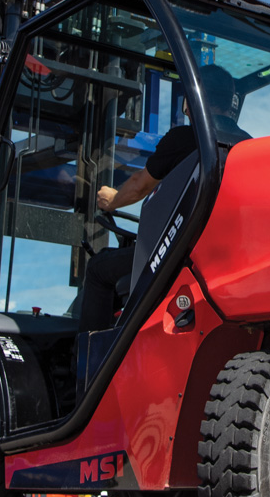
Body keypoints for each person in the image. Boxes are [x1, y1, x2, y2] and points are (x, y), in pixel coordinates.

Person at [76, 64, 250, 337]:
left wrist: (112, 200)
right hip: (226, 256)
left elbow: (139, 186)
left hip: (181, 255)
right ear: (231, 102)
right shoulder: (247, 146)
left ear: (193, 99)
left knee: (98, 268)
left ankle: (88, 356)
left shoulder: (186, 138)